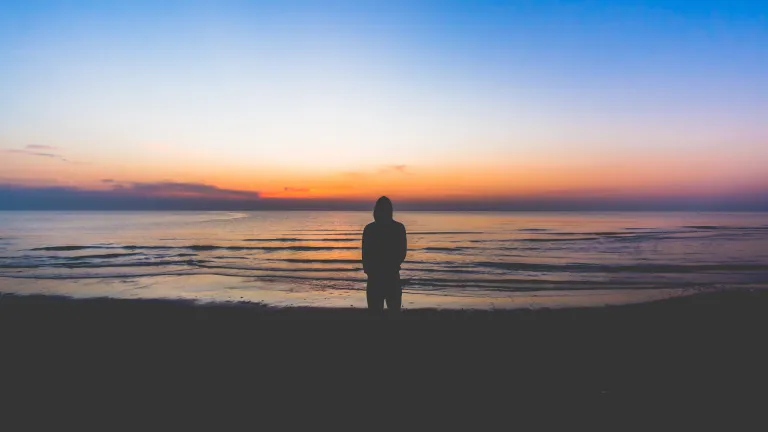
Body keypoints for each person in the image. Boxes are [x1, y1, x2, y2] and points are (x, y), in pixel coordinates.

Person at [362, 196, 407, 314]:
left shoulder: (370, 229)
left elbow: (365, 254)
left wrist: (370, 269)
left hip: (379, 277)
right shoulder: (398, 228)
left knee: (377, 313)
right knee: (392, 312)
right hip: (389, 276)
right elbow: (402, 252)